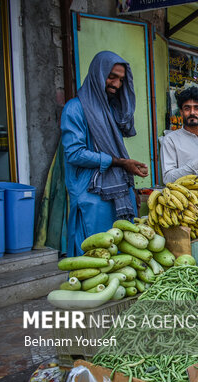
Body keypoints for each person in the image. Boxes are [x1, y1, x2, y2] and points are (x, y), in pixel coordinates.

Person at [61, 51, 148, 257]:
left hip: (116, 191)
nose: (116, 84)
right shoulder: (75, 109)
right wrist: (118, 162)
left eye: (121, 79)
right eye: (112, 77)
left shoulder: (110, 109)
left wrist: (124, 169)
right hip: (90, 194)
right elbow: (74, 153)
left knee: (120, 255)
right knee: (92, 257)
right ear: (98, 74)